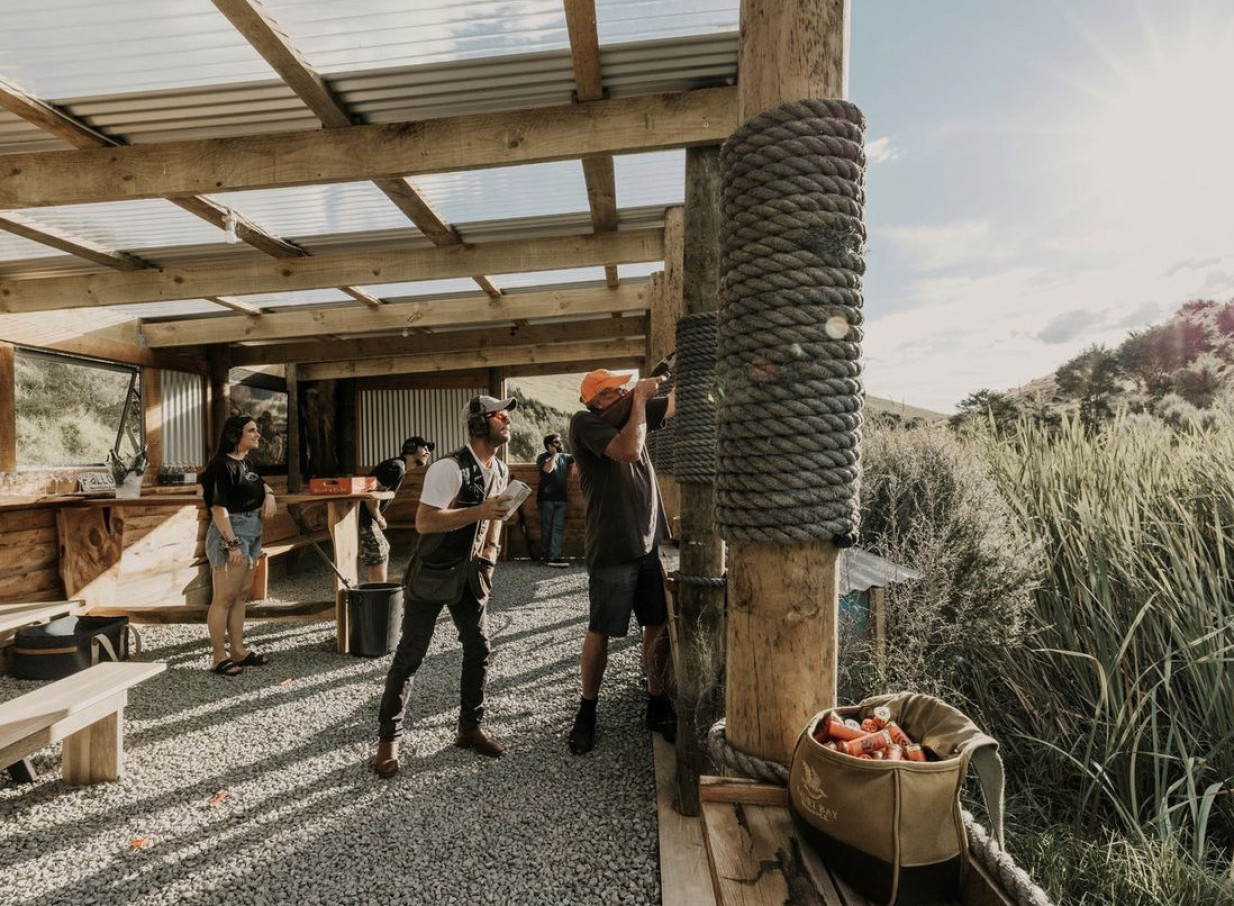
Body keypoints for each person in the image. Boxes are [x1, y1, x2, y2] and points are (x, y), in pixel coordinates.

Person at [373, 395, 516, 776]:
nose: (507, 420)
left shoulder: (500, 469)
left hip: (472, 574)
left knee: (479, 648)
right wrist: (479, 511)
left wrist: (491, 552)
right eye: (499, 415)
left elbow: (498, 514)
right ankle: (389, 740)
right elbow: (424, 522)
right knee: (410, 655)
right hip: (432, 572)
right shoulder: (447, 468)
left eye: (506, 415)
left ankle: (469, 729)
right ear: (479, 423)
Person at [566, 369, 676, 755]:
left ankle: (657, 701)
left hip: (649, 544)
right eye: (619, 389)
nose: (627, 390)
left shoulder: (631, 413)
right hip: (612, 548)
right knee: (600, 631)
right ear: (599, 400)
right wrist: (642, 400)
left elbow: (679, 405)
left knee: (656, 624)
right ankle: (587, 710)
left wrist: (673, 380)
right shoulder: (584, 423)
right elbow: (628, 450)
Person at [199, 414, 277, 677]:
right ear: (235, 435)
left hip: (253, 531)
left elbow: (259, 483)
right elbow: (218, 508)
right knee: (224, 598)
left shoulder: (246, 462)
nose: (257, 435)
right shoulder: (220, 467)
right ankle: (218, 657)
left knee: (241, 595)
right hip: (231, 532)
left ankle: (239, 651)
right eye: (251, 431)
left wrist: (270, 494)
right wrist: (232, 544)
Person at [359, 436, 435, 582]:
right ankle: (378, 594)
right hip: (364, 516)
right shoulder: (396, 467)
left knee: (382, 551)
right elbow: (371, 494)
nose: (428, 452)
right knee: (379, 554)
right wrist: (379, 518)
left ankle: (377, 591)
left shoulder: (399, 467)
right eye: (424, 448)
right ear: (411, 448)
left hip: (367, 515)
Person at [536, 433, 573, 567]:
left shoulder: (565, 457)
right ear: (549, 446)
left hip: (561, 499)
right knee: (547, 528)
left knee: (557, 528)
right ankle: (545, 556)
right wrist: (554, 455)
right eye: (556, 443)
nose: (560, 444)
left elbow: (579, 458)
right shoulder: (542, 457)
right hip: (546, 499)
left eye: (560, 442)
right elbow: (547, 469)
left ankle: (555, 557)